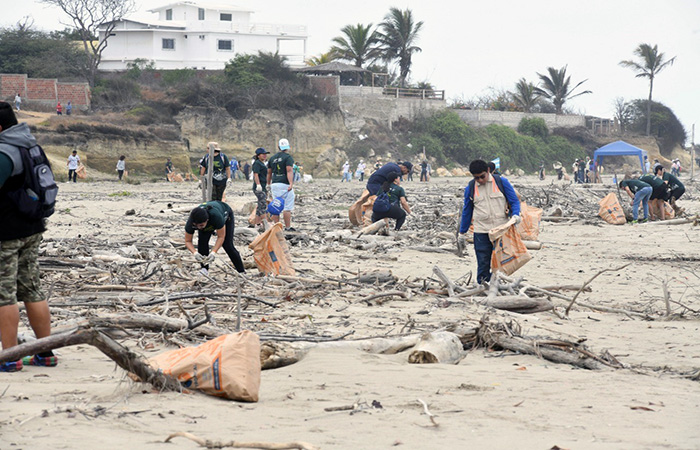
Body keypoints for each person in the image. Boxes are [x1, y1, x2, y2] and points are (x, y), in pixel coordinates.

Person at [0, 102, 56, 372]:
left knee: (4, 294)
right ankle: (45, 352)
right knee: (32, 288)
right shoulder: (30, 145)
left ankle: (9, 356)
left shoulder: (4, 152)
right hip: (32, 228)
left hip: (6, 233)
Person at [459, 159, 521, 284]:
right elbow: (467, 211)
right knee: (482, 261)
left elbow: (514, 200)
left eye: (482, 176)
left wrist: (515, 215)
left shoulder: (501, 182)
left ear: (488, 171)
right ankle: (483, 285)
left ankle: (499, 284)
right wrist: (462, 232)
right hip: (481, 230)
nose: (480, 180)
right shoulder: (470, 188)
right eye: (477, 178)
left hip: (501, 229)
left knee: (503, 261)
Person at [184, 201, 245, 276]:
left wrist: (213, 252)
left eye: (201, 225)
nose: (198, 228)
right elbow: (187, 241)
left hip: (225, 213)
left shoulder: (216, 217)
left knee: (227, 245)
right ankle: (204, 269)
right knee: (202, 243)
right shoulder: (191, 223)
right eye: (196, 226)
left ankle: (241, 271)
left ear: (207, 220)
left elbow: (221, 237)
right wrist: (195, 253)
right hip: (206, 222)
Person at [267, 138, 296, 231]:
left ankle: (277, 227)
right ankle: (287, 227)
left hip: (275, 183)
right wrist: (291, 183)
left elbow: (269, 173)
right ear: (287, 147)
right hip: (284, 183)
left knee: (277, 205)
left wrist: (268, 183)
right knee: (287, 207)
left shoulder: (272, 158)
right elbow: (289, 170)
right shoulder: (288, 158)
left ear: (278, 147)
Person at [251, 147, 269, 230]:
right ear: (258, 155)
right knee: (263, 205)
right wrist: (258, 184)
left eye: (265, 154)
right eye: (263, 154)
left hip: (263, 186)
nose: (265, 155)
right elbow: (256, 174)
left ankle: (257, 224)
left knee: (260, 205)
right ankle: (265, 223)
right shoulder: (257, 163)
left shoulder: (262, 163)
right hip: (259, 187)